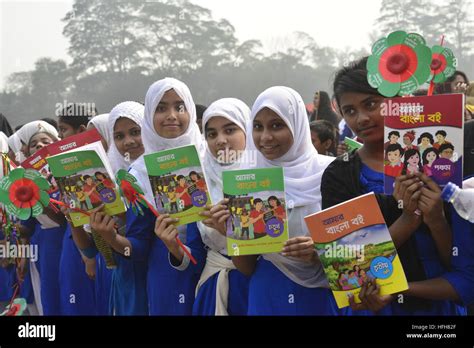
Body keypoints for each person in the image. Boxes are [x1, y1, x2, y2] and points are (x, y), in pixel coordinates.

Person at [322, 57, 466, 315]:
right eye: (350, 111)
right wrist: (408, 219)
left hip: (438, 307)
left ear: (399, 100)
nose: (362, 118)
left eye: (371, 104)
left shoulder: (439, 162)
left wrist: (435, 220)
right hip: (373, 306)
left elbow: (461, 265)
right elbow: (347, 268)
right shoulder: (339, 174)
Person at [210, 86, 337, 315]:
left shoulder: (332, 173)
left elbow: (358, 250)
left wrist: (320, 252)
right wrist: (231, 233)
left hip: (323, 295)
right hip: (268, 293)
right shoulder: (247, 181)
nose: (265, 137)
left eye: (277, 125)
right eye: (258, 127)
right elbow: (247, 268)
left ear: (297, 124)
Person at [130, 78, 206, 315]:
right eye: (161, 108)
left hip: (214, 267)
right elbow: (138, 241)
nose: (172, 115)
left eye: (179, 107)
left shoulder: (210, 159)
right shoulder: (139, 173)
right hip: (167, 271)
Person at [193, 98, 251, 315]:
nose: (221, 140)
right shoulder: (200, 182)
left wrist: (230, 234)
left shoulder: (269, 178)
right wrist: (172, 245)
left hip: (256, 287)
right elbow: (195, 249)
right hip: (215, 285)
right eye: (211, 134)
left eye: (230, 130)